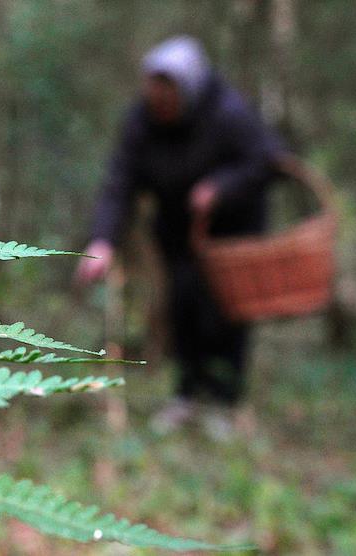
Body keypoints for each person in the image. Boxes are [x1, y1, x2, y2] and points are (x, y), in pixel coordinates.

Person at [75, 36, 284, 435]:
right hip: (178, 231)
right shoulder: (141, 121)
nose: (160, 104)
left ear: (187, 90)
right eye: (154, 95)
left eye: (168, 96)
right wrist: (102, 241)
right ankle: (186, 395)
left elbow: (267, 160)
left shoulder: (228, 112)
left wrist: (221, 187)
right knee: (184, 308)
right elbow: (120, 183)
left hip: (233, 231)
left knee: (226, 314)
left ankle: (224, 401)